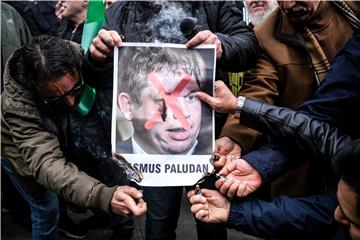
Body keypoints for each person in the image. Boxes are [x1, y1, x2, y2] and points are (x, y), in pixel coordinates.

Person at [87, 1, 260, 240]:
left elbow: (249, 45)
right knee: (159, 223)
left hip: (209, 142)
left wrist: (222, 45)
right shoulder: (119, 12)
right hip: (153, 155)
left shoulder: (214, 4)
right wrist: (98, 58)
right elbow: (98, 78)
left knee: (212, 219)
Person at [189, 29, 360, 239]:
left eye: (352, 222)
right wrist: (235, 207)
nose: (337, 215)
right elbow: (319, 128)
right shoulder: (269, 33)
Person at [1, 35, 147, 240]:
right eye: (55, 98)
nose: (71, 102)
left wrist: (103, 60)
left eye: (76, 89)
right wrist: (101, 196)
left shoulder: (80, 54)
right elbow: (47, 164)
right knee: (46, 208)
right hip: (22, 154)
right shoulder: (17, 106)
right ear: (35, 88)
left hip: (64, 141)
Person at [217, 0, 360, 198]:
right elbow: (259, 86)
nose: (287, 5)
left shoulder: (352, 9)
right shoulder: (267, 33)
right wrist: (234, 137)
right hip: (308, 156)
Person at [116, 46, 212, 155]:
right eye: (165, 99)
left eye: (190, 97)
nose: (184, 113)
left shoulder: (221, 161)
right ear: (128, 106)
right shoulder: (107, 162)